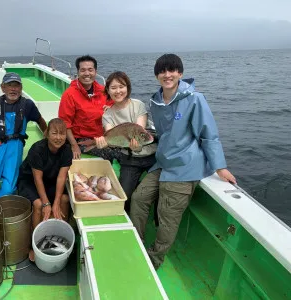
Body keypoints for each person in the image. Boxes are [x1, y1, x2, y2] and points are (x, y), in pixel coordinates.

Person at [130, 54, 236, 269]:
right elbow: (163, 133)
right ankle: (137, 243)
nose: (167, 75)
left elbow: (209, 134)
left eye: (172, 70)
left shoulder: (195, 98)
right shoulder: (156, 101)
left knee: (167, 216)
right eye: (162, 71)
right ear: (156, 75)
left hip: (185, 167)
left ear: (180, 73)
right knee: (139, 198)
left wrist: (220, 167)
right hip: (163, 163)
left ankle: (154, 259)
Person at [0, 72, 47, 198]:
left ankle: (0, 206)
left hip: (15, 149)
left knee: (8, 189)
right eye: (9, 85)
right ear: (2, 87)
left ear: (21, 88)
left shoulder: (27, 105)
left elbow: (41, 122)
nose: (13, 89)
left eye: (16, 85)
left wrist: (47, 142)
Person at [94, 71, 157, 212]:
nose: (118, 91)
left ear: (127, 88)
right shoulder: (107, 115)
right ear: (108, 91)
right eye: (113, 88)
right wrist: (104, 143)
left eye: (121, 86)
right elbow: (110, 135)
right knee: (125, 197)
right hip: (129, 159)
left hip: (150, 156)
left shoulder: (138, 105)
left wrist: (136, 143)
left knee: (159, 191)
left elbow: (139, 129)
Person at [17, 118, 73, 261]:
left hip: (51, 181)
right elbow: (37, 179)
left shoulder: (67, 150)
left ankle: (62, 237)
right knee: (38, 205)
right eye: (54, 133)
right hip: (29, 181)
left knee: (65, 200)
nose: (59, 138)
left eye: (62, 134)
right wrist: (47, 203)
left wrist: (56, 202)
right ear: (47, 133)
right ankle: (34, 245)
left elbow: (61, 178)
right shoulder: (37, 149)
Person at [58, 55, 119, 161]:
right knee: (115, 154)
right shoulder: (69, 95)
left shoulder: (103, 91)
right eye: (83, 70)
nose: (87, 74)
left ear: (95, 71)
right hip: (81, 139)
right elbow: (65, 123)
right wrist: (74, 145)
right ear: (78, 72)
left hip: (102, 136)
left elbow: (116, 109)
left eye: (90, 70)